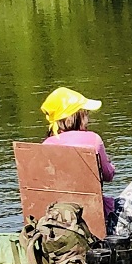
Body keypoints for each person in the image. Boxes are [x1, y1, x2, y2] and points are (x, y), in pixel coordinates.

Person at [41, 87, 117, 223]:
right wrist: (110, 165)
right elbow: (108, 175)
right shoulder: (93, 139)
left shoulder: (46, 145)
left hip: (59, 218)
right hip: (96, 215)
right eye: (86, 113)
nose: (88, 118)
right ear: (77, 116)